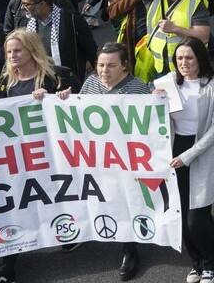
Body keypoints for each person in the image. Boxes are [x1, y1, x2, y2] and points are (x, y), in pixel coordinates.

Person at [61, 42, 153, 280]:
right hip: (97, 158)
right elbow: (77, 115)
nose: (104, 70)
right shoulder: (91, 83)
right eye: (101, 65)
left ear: (124, 66)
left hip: (127, 160)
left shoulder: (138, 89)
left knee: (127, 201)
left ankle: (130, 249)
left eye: (111, 65)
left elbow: (149, 127)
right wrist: (65, 100)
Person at [0, 30, 74, 283]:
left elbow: (74, 103)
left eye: (17, 50)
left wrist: (57, 98)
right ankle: (8, 265)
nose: (12, 56)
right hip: (19, 154)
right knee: (17, 202)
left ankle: (70, 231)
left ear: (31, 50)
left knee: (56, 192)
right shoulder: (5, 81)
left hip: (50, 151)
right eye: (9, 52)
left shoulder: (51, 77)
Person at [162, 38, 214, 283]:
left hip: (202, 152)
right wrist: (155, 99)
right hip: (175, 149)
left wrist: (186, 156)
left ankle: (212, 259)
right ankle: (197, 262)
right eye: (179, 58)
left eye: (189, 57)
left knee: (196, 216)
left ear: (200, 58)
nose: (184, 63)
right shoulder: (167, 83)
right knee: (182, 214)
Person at [9, 0, 97, 87]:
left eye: (26, 4)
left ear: (42, 4)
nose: (22, 8)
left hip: (69, 81)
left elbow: (90, 47)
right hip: (41, 81)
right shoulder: (27, 24)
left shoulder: (71, 20)